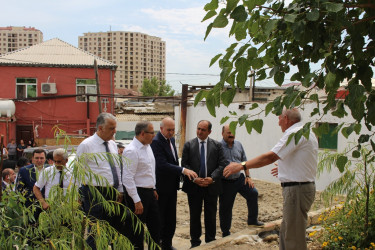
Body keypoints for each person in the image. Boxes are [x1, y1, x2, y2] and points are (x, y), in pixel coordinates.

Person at [223, 108, 318, 250]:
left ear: (286, 118)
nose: (278, 123)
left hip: (297, 190)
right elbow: (302, 160)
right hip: (299, 188)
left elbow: (269, 157)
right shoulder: (306, 131)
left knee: (293, 237)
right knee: (287, 232)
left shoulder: (294, 133)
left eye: (279, 118)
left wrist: (241, 166)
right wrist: (286, 169)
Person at [76, 112, 124, 249]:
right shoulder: (87, 145)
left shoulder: (112, 145)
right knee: (96, 230)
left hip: (112, 193)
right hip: (94, 193)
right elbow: (79, 171)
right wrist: (79, 195)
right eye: (111, 128)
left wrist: (119, 189)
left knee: (111, 229)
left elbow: (116, 167)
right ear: (100, 128)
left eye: (115, 128)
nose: (115, 131)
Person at [151, 117, 197, 250]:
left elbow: (174, 160)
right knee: (161, 218)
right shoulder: (156, 142)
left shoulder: (170, 139)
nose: (171, 132)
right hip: (161, 187)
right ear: (161, 129)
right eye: (168, 130)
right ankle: (158, 244)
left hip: (171, 186)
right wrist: (183, 170)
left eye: (173, 130)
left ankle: (167, 244)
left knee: (171, 218)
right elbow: (161, 165)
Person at [181, 120, 226, 248]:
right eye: (198, 128)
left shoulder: (217, 146)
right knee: (194, 215)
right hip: (194, 186)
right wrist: (194, 179)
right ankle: (195, 243)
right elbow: (184, 164)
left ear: (209, 132)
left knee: (211, 215)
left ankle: (210, 241)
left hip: (211, 186)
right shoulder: (189, 145)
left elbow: (222, 164)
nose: (200, 132)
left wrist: (212, 178)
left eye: (203, 130)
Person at [219, 125, 263, 237]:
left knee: (253, 193)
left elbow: (244, 161)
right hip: (226, 182)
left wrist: (248, 176)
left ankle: (252, 221)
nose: (231, 135)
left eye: (233, 132)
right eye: (228, 132)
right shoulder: (217, 147)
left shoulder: (239, 144)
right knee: (226, 207)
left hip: (239, 179)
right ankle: (225, 232)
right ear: (222, 133)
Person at [123, 121, 161, 249]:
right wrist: (136, 200)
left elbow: (150, 169)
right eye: (152, 132)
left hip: (149, 193)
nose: (154, 135)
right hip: (137, 194)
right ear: (143, 133)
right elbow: (127, 178)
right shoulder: (131, 151)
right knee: (137, 231)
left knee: (155, 227)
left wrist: (153, 188)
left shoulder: (147, 147)